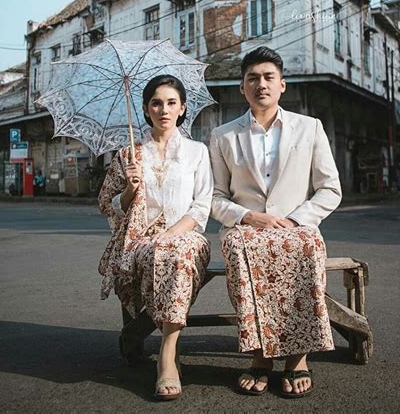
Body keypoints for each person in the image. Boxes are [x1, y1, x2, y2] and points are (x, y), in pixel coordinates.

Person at [209, 47, 342, 398]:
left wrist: (297, 219)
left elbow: (330, 189)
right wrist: (247, 216)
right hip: (245, 227)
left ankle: (297, 358)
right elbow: (214, 196)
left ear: (282, 85)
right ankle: (260, 356)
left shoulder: (310, 128)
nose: (261, 84)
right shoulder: (223, 135)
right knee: (240, 248)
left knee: (305, 245)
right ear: (242, 88)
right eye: (252, 78)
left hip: (295, 227)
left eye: (268, 77)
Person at [98, 74, 212, 401]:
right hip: (140, 241)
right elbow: (108, 204)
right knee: (163, 255)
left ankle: (166, 352)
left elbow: (202, 205)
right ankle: (162, 347)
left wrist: (171, 235)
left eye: (171, 102)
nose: (164, 109)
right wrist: (131, 188)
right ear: (147, 110)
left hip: (188, 237)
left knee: (177, 254)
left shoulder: (196, 152)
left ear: (183, 108)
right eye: (156, 103)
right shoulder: (129, 155)